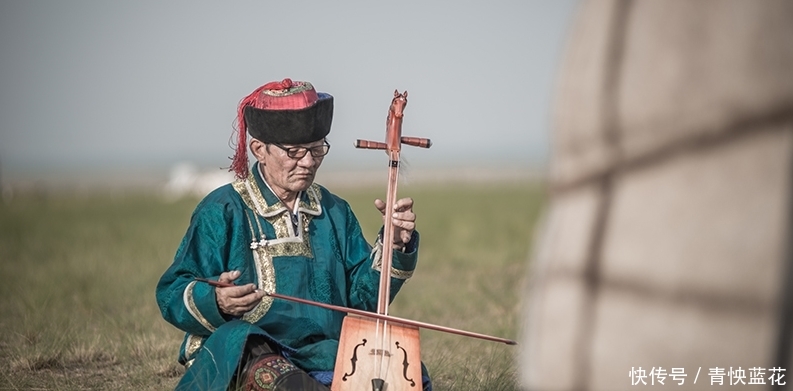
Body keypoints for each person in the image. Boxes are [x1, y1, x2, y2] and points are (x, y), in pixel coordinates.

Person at [156, 78, 431, 391]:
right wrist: (217, 300)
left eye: (317, 149)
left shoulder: (334, 210)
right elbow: (171, 292)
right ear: (259, 149)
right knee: (262, 362)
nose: (309, 162)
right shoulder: (222, 210)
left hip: (327, 352)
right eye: (295, 151)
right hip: (256, 350)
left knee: (406, 372)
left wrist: (394, 245)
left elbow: (363, 301)